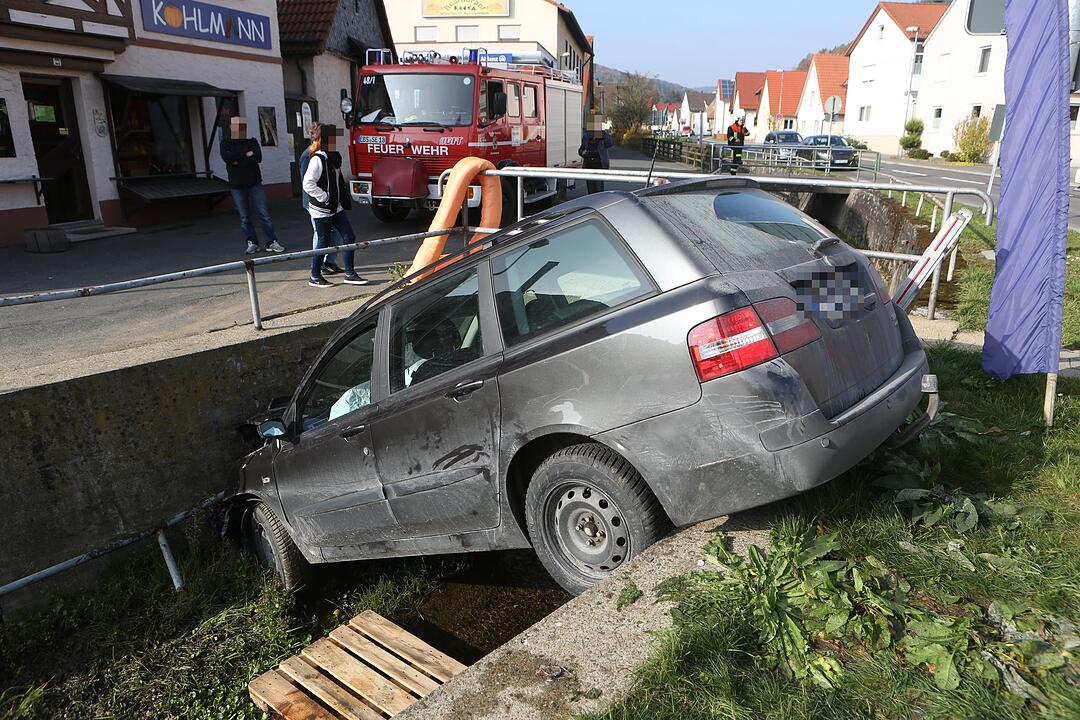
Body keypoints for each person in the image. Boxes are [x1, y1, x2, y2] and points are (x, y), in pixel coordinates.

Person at [302, 123, 370, 288]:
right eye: (332, 137)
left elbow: (336, 181)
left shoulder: (332, 157)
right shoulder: (317, 159)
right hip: (321, 209)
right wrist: (324, 197)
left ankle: (350, 274)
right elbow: (307, 183)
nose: (335, 140)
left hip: (335, 207)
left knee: (349, 237)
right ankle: (314, 276)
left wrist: (339, 199)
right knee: (323, 241)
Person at [221, 116, 285, 255]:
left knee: (264, 215)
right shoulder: (226, 143)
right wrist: (246, 155)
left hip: (254, 183)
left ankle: (272, 241)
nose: (239, 129)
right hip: (237, 186)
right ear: (231, 127)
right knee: (244, 217)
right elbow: (227, 158)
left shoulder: (252, 141)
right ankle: (252, 242)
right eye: (236, 126)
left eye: (241, 126)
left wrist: (237, 160)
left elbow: (257, 157)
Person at [299, 128, 343, 275]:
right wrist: (323, 197)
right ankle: (318, 266)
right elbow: (307, 182)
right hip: (315, 203)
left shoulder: (326, 154)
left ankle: (329, 261)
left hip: (328, 203)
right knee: (320, 235)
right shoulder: (310, 155)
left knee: (334, 235)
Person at [578, 114, 613, 193]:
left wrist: (603, 133)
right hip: (589, 164)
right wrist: (583, 153)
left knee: (599, 187)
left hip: (599, 164)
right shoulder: (587, 135)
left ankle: (599, 200)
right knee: (590, 188)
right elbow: (581, 149)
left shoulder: (603, 135)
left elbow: (609, 144)